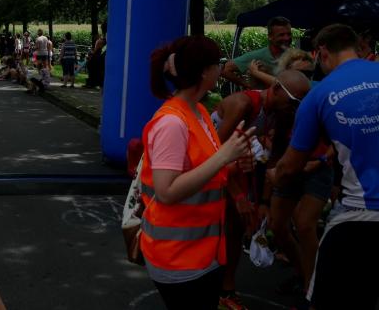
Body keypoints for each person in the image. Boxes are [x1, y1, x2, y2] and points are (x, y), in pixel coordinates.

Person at [139, 35, 254, 310]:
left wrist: (232, 164)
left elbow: (200, 169)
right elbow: (166, 191)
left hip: (203, 253)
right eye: (218, 64)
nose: (221, 68)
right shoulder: (172, 123)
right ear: (204, 71)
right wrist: (223, 157)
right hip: (179, 259)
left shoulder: (199, 111)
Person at [272, 24, 379, 310]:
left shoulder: (319, 96)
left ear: (322, 52)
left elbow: (289, 167)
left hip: (362, 214)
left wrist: (272, 176)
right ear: (356, 47)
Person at [213, 69, 311, 310]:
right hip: (209, 162)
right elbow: (213, 154)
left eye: (300, 103)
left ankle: (226, 290)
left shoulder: (283, 113)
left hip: (236, 163)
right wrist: (238, 195)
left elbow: (274, 160)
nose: (296, 107)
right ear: (275, 89)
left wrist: (264, 202)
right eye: (294, 101)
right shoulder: (243, 104)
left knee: (237, 224)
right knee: (218, 223)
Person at [222, 16, 293, 89]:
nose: (287, 38)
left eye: (289, 34)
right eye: (281, 35)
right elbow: (226, 69)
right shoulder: (258, 56)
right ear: (270, 36)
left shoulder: (295, 56)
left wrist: (257, 73)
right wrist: (246, 84)